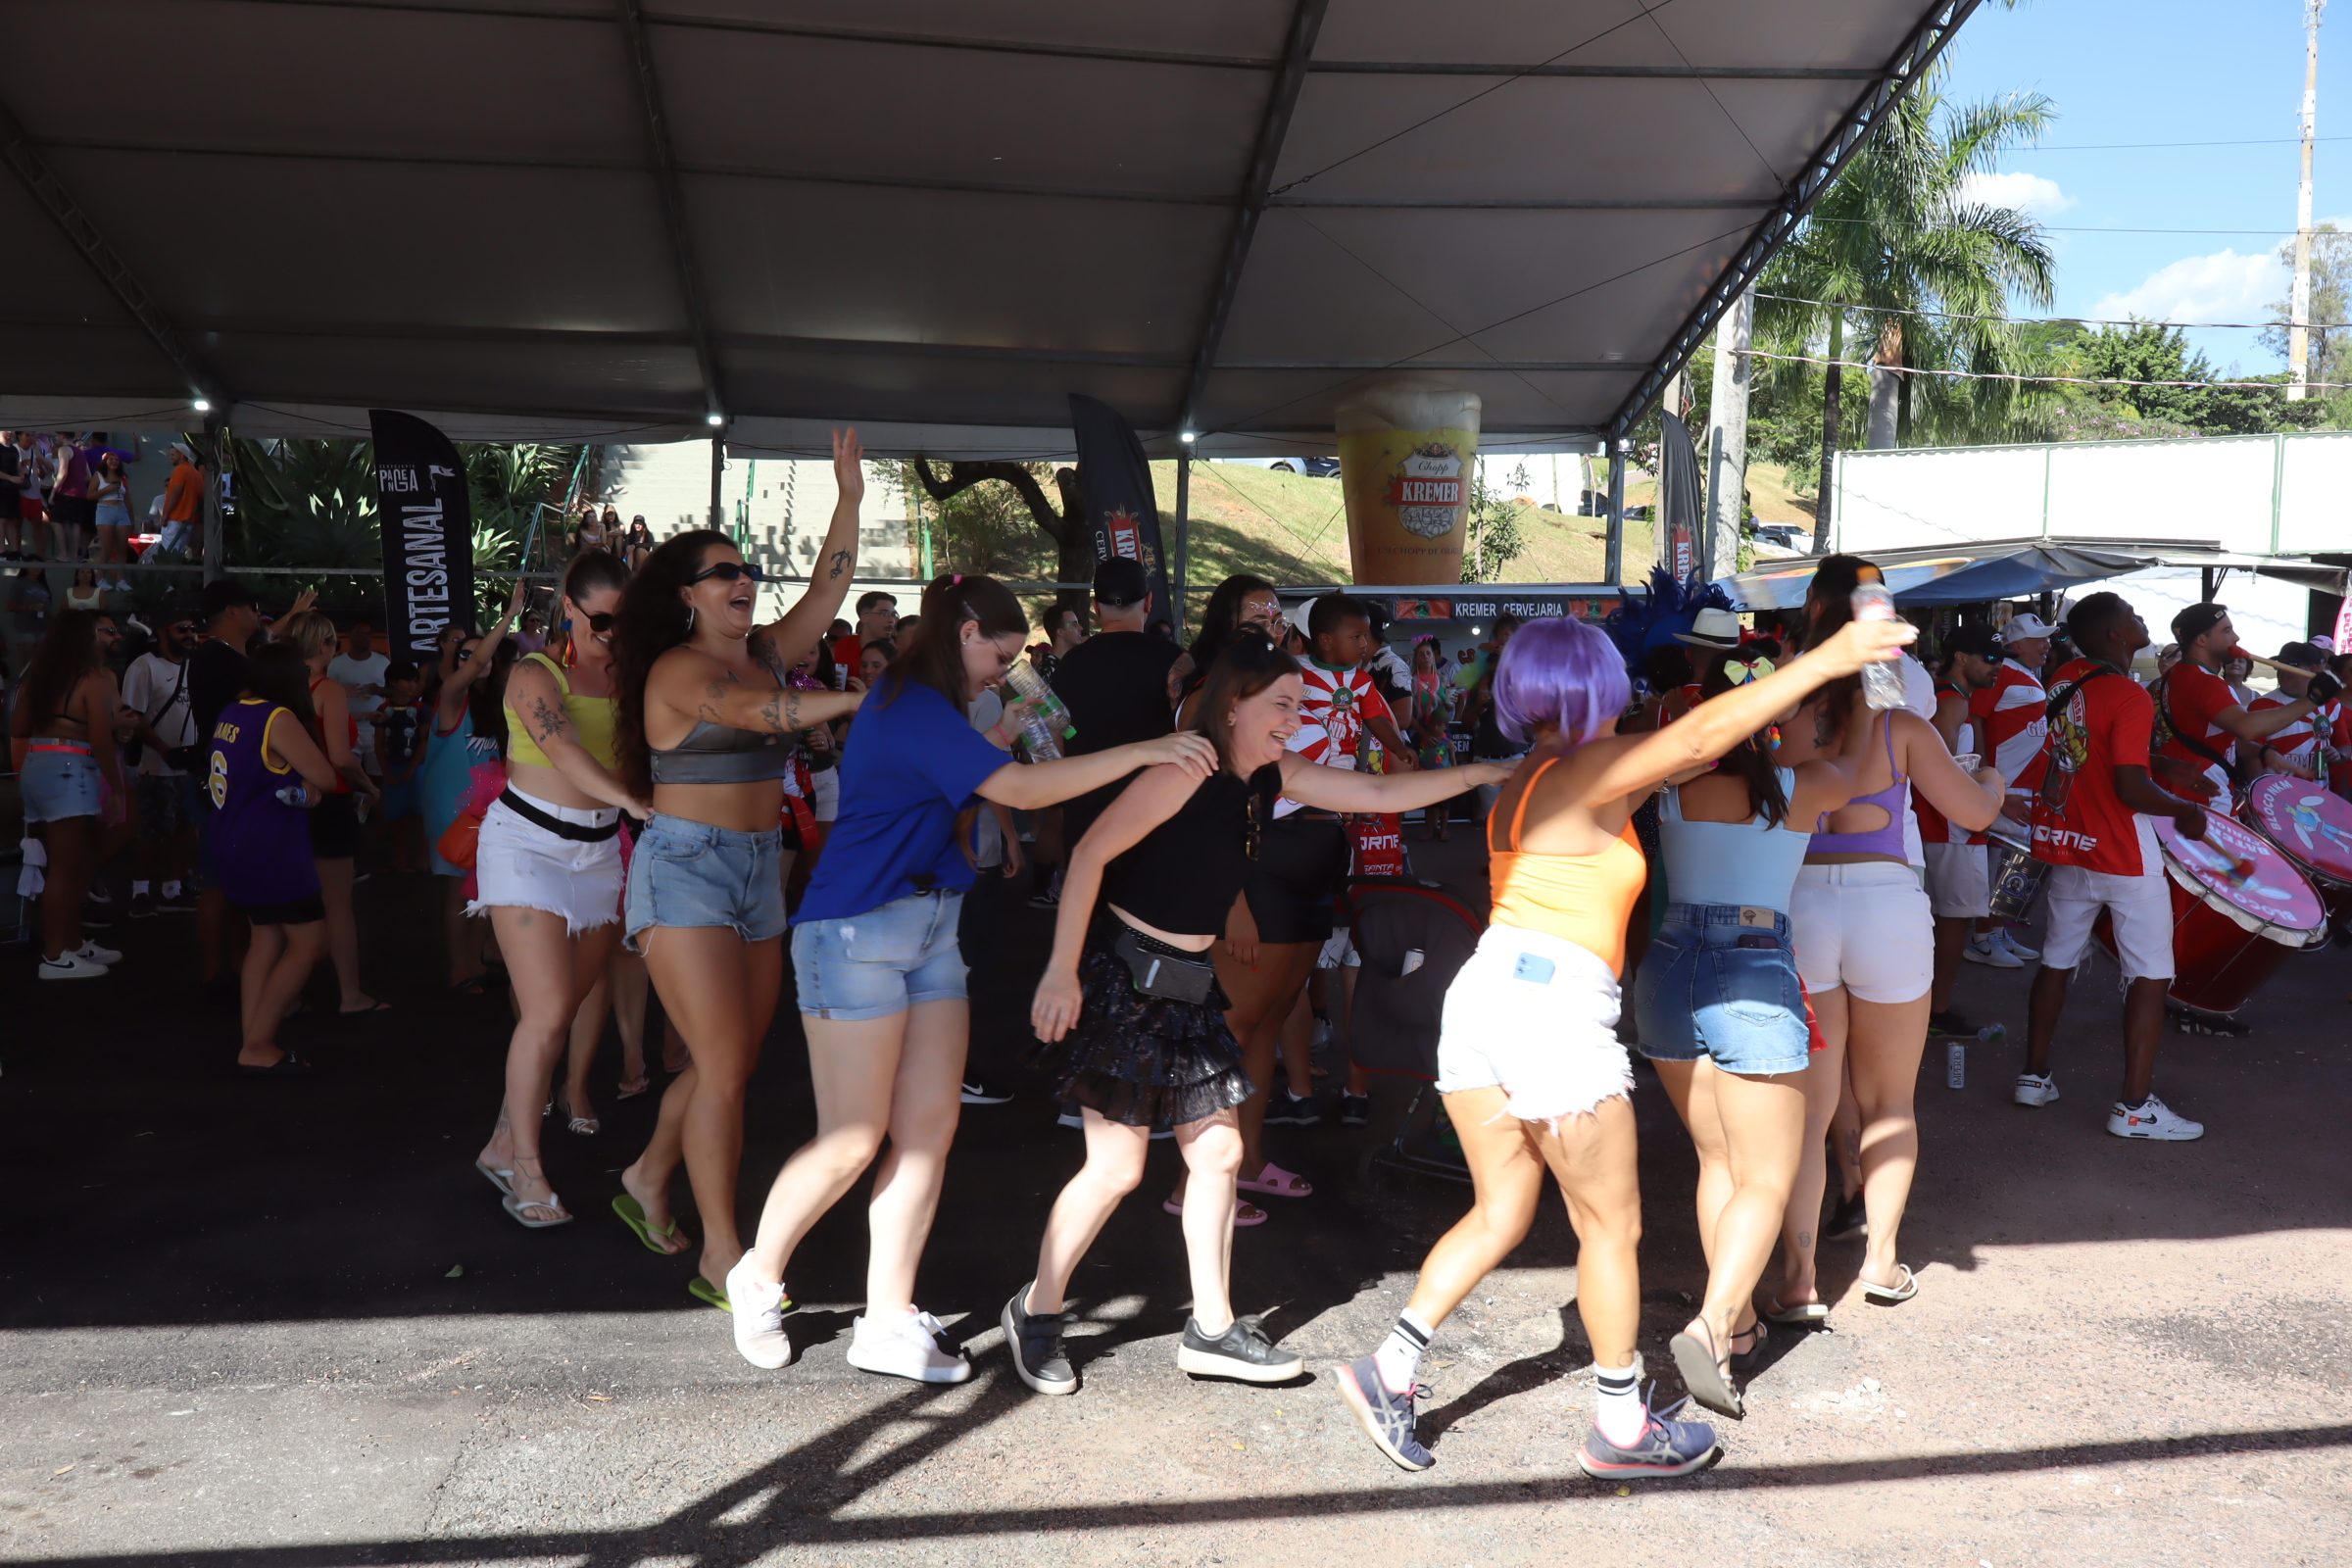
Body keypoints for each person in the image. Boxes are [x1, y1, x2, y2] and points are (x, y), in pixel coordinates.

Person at [1332, 612, 1917, 1479]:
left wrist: (1747, 690)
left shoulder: (1539, 772)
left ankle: (1391, 1368)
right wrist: (1828, 662)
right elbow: (1703, 736)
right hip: (1552, 1011)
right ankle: (1621, 1426)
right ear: (1598, 685)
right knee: (1611, 1226)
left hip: (1488, 995)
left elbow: (1694, 745)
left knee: (1500, 1213)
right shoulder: (1590, 765)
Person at [718, 571, 1220, 1379]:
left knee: (928, 1132)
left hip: (929, 927)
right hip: (855, 929)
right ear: (964, 633)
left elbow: (943, 791)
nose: (1003, 668)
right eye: (1000, 652)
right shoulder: (912, 702)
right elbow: (1016, 789)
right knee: (852, 1139)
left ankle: (886, 1318)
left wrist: (995, 740)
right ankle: (759, 1274)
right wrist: (1142, 750)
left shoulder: (937, 709)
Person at [1010, 631, 1513, 1395]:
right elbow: (1089, 857)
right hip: (1126, 981)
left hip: (1188, 985)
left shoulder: (1267, 774)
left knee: (1217, 1156)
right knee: (1115, 1169)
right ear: (1234, 704)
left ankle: (1210, 1329)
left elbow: (1376, 794)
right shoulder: (1186, 766)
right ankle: (1036, 1312)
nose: (1295, 717)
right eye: (1283, 704)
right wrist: (1059, 969)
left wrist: (1480, 771)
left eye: (1302, 705)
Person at [610, 429, 869, 1303]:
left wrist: (848, 497)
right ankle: (723, 1253)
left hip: (761, 867)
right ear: (687, 596)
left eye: (746, 570)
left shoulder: (759, 649)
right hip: (685, 868)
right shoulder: (681, 669)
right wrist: (870, 698)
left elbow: (829, 588)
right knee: (721, 1066)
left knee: (734, 1061)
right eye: (723, 574)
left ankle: (648, 1172)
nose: (742, 581)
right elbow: (770, 715)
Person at [1633, 645, 1874, 1416]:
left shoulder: (1671, 786)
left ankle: (1737, 1327)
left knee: (1718, 1163)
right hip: (1752, 966)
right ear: (1774, 725)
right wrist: (1860, 670)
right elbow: (1870, 752)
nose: (1819, 725)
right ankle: (1710, 1327)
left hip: (1668, 966)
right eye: (1807, 714)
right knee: (1767, 1176)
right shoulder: (1806, 788)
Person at [1765, 603, 2006, 1321]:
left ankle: (1800, 1279)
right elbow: (1974, 813)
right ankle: (1882, 1261)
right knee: (1890, 1103)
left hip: (1803, 902)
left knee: (1811, 1111)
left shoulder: (1786, 724)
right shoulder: (1901, 727)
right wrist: (1990, 781)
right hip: (1887, 907)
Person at [472, 553, 648, 1229]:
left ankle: (501, 1138)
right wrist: (638, 801)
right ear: (570, 608)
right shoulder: (531, 672)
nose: (614, 633)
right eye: (602, 620)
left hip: (599, 852)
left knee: (561, 1008)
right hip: (526, 848)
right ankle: (526, 1169)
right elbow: (568, 750)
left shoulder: (635, 673)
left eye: (625, 621)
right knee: (546, 1012)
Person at [2011, 594, 2226, 1137]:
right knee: (2151, 974)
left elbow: (2092, 752)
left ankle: (2033, 1078)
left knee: (2056, 961)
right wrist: (2184, 809)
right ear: (2114, 634)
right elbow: (2128, 785)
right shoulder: (2129, 693)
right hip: (2123, 853)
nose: (2142, 620)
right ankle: (2134, 1107)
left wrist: (2167, 766)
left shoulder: (2065, 681)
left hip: (2069, 845)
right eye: (2132, 615)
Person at [208, 643, 343, 1073]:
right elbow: (324, 775)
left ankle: (254, 1038)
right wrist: (311, 788)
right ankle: (258, 1042)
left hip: (233, 842)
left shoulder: (234, 711)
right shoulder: (275, 717)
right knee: (308, 942)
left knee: (264, 938)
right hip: (272, 848)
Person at [281, 611, 387, 1015]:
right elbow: (342, 758)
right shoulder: (328, 689)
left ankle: (285, 993)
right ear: (325, 644)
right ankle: (350, 994)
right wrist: (368, 783)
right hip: (330, 800)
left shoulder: (276, 687)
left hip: (287, 800)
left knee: (288, 902)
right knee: (338, 903)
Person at [11, 610, 124, 978]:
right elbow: (102, 740)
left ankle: (71, 944)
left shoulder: (38, 679)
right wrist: (117, 789)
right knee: (66, 867)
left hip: (39, 765)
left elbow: (19, 727)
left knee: (66, 863)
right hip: (73, 767)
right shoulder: (95, 680)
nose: (111, 636)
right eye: (103, 631)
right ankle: (56, 954)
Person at [417, 598, 520, 990]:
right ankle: (460, 967)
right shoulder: (450, 697)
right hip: (452, 814)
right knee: (458, 892)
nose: (479, 659)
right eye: (468, 654)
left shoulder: (495, 705)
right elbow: (478, 665)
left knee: (483, 891)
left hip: (489, 813)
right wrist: (508, 617)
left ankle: (475, 962)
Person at [2152, 604, 2334, 805]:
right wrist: (2314, 699)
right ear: (2202, 640)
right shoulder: (2205, 682)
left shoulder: (2173, 675)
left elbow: (2210, 735)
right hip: (2203, 791)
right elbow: (2247, 727)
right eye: (2227, 631)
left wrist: (2263, 752)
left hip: (2182, 786)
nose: (2236, 637)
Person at [1919, 623, 2004, 1033]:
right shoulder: (1950, 701)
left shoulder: (1947, 698)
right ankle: (1937, 1011)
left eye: (2000, 659)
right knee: (1953, 922)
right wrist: (1990, 788)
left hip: (1942, 826)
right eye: (1989, 659)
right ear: (1962, 659)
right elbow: (1947, 769)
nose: (1996, 667)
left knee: (1938, 921)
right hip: (1950, 828)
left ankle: (1926, 1006)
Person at [122, 610, 203, 919]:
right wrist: (163, 749)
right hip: (156, 765)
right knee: (152, 831)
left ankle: (172, 889)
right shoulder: (143, 667)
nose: (190, 634)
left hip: (188, 765)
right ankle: (140, 892)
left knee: (184, 830)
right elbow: (133, 716)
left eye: (192, 628)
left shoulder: (194, 667)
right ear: (162, 632)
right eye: (182, 628)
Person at [1170, 573, 1283, 706]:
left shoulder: (1279, 678)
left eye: (1277, 622)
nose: (1273, 635)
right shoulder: (1210, 694)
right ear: (1227, 627)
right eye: (1258, 625)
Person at [330, 620, 392, 815]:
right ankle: (351, 815)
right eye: (360, 634)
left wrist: (379, 690)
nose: (365, 638)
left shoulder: (382, 662)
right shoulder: (337, 663)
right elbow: (328, 692)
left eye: (368, 634)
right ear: (350, 636)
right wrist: (343, 692)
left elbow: (393, 690)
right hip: (349, 727)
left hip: (376, 728)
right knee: (350, 775)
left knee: (377, 775)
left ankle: (378, 818)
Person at [2247, 642, 2333, 779]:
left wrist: (2337, 755)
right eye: (2279, 664)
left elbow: (2344, 746)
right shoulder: (2260, 705)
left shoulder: (2332, 704)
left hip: (2320, 794)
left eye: (2291, 665)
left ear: (2313, 669)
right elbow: (2250, 755)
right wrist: (2259, 790)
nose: (2283, 670)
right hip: (2275, 793)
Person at [373, 661, 426, 869]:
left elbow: (424, 740)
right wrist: (385, 771)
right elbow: (378, 744)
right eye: (407, 680)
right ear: (393, 682)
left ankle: (423, 857)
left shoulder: (421, 708)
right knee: (399, 817)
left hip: (418, 766)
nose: (412, 685)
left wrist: (412, 769)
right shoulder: (382, 709)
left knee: (421, 815)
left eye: (414, 680)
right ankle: (401, 857)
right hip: (393, 765)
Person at [1405, 637, 1456, 839]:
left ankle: (1442, 828)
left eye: (1428, 653)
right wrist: (1424, 733)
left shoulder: (1443, 680)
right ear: (1416, 659)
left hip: (1442, 733)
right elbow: (1408, 714)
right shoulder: (1411, 682)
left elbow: (1447, 708)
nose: (1426, 657)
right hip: (1420, 733)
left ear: (1433, 656)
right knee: (1425, 778)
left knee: (1444, 776)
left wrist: (1451, 706)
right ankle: (1429, 827)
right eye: (1421, 654)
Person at [90, 450, 135, 591]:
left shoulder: (122, 477)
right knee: (107, 547)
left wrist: (132, 518)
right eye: (111, 459)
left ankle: (121, 580)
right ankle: (100, 578)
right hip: (105, 510)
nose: (114, 461)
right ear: (105, 462)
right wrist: (107, 489)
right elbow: (89, 495)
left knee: (122, 547)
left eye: (116, 459)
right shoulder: (98, 476)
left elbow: (127, 498)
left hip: (121, 511)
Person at [161, 442, 206, 559]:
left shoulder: (180, 470)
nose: (170, 457)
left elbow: (176, 493)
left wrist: (166, 514)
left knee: (169, 556)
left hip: (175, 518)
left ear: (181, 455)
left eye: (173, 455)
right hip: (188, 520)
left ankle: (169, 576)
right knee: (180, 554)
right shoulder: (196, 473)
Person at [834, 590, 898, 668]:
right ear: (865, 617)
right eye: (884, 614)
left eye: (893, 614)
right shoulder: (845, 645)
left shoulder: (897, 650)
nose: (891, 620)